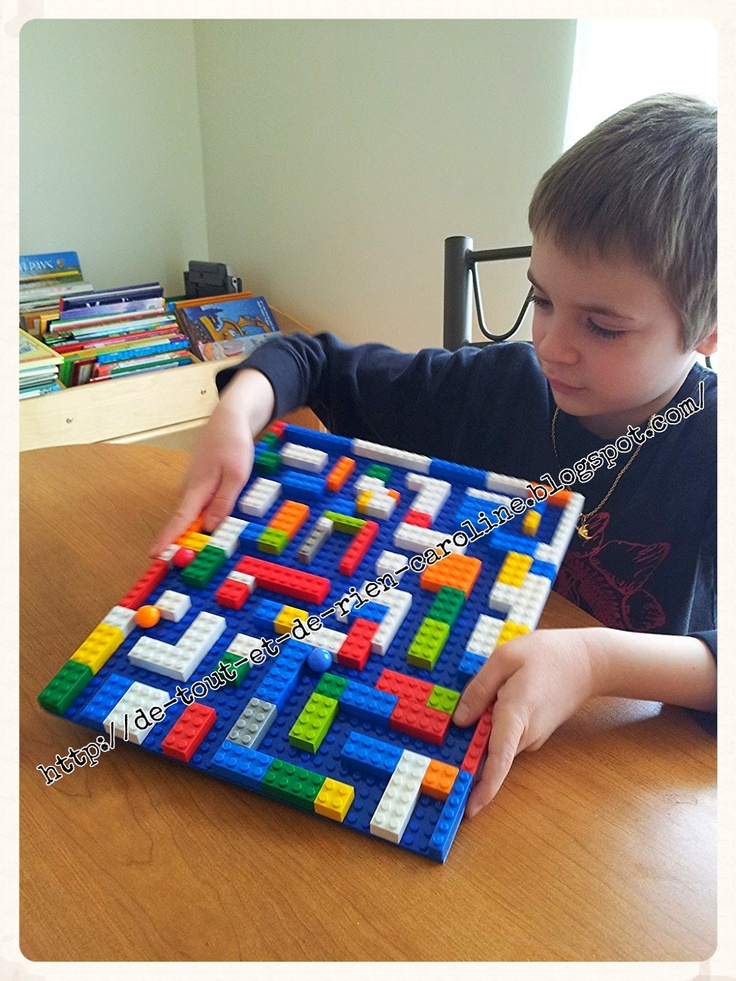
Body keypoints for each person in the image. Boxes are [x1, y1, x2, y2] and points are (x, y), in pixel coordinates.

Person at [153, 93, 717, 818]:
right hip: (427, 700)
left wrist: (594, 660)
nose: (551, 344)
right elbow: (312, 359)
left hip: (618, 783)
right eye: (541, 299)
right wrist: (239, 409)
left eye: (603, 327)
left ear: (706, 328)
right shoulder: (501, 384)